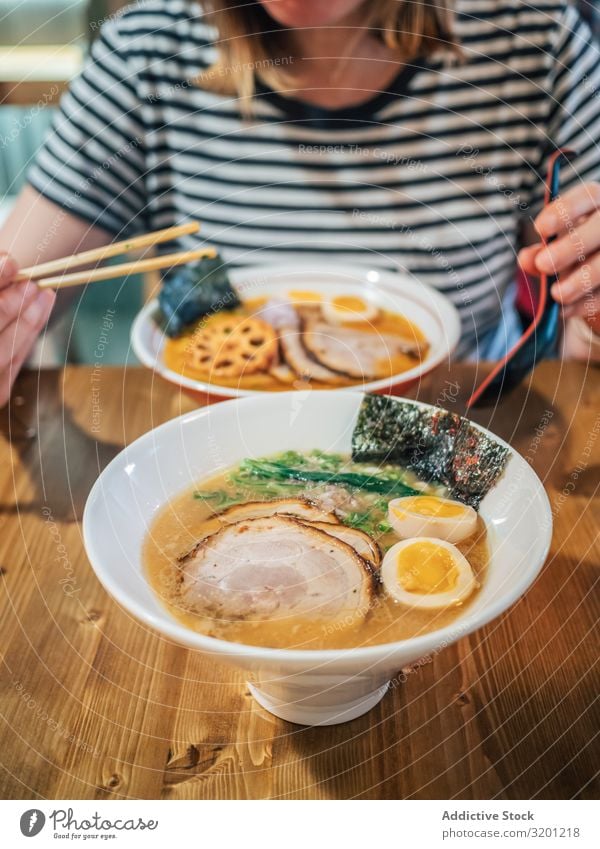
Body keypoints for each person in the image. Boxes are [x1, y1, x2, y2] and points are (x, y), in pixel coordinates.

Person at [1, 0, 600, 406]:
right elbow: (23, 285)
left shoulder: (533, 35)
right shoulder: (149, 46)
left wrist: (591, 323)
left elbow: (580, 348)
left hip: (468, 423)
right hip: (211, 443)